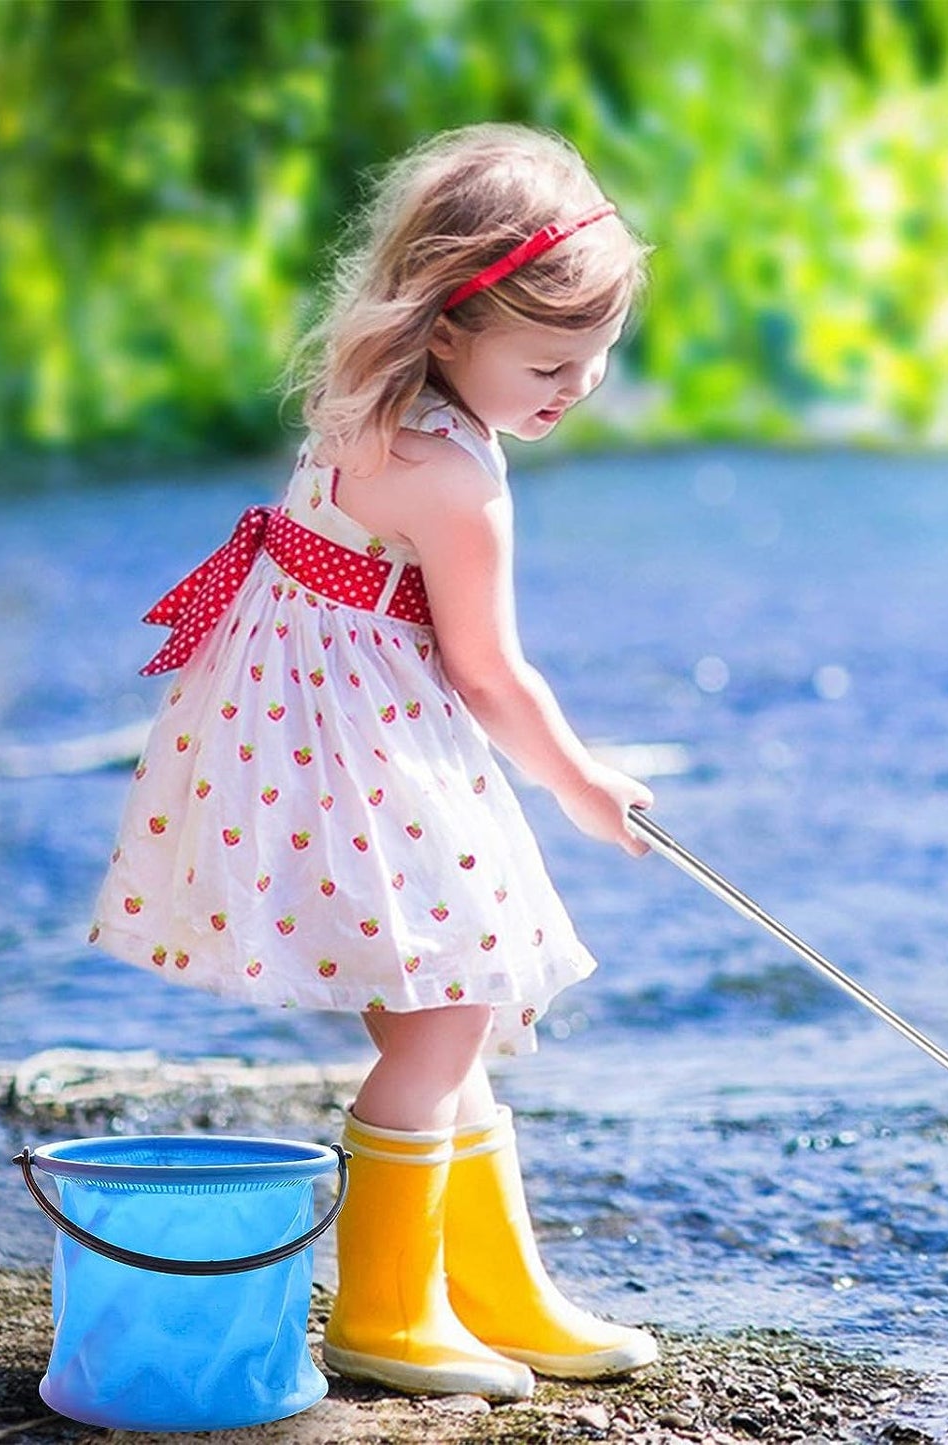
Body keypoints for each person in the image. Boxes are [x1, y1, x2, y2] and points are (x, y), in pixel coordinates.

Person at [88, 123, 658, 1402]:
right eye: (552, 359)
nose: (582, 384)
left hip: (294, 729)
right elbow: (491, 672)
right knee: (447, 1015)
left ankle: (494, 1291)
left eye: (598, 354)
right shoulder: (454, 476)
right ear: (448, 327)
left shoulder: (375, 399)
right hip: (365, 740)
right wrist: (581, 783)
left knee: (439, 1016)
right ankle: (391, 1313)